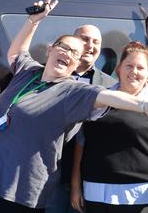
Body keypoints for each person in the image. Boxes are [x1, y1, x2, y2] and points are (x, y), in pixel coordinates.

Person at [0, 0, 148, 212]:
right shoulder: (29, 71)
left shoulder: (71, 90)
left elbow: (109, 97)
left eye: (74, 54)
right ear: (50, 50)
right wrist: (33, 22)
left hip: (21, 186)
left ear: (75, 65)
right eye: (64, 47)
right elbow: (16, 52)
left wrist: (146, 106)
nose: (67, 54)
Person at [70, 42, 148, 213]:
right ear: (119, 69)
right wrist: (75, 186)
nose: (134, 72)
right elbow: (80, 144)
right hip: (96, 194)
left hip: (143, 197)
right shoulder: (100, 99)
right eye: (129, 66)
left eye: (140, 68)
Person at [48, 24, 117, 213]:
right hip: (51, 170)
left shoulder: (111, 87)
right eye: (85, 39)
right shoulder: (50, 75)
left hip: (90, 172)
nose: (90, 45)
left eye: (96, 42)